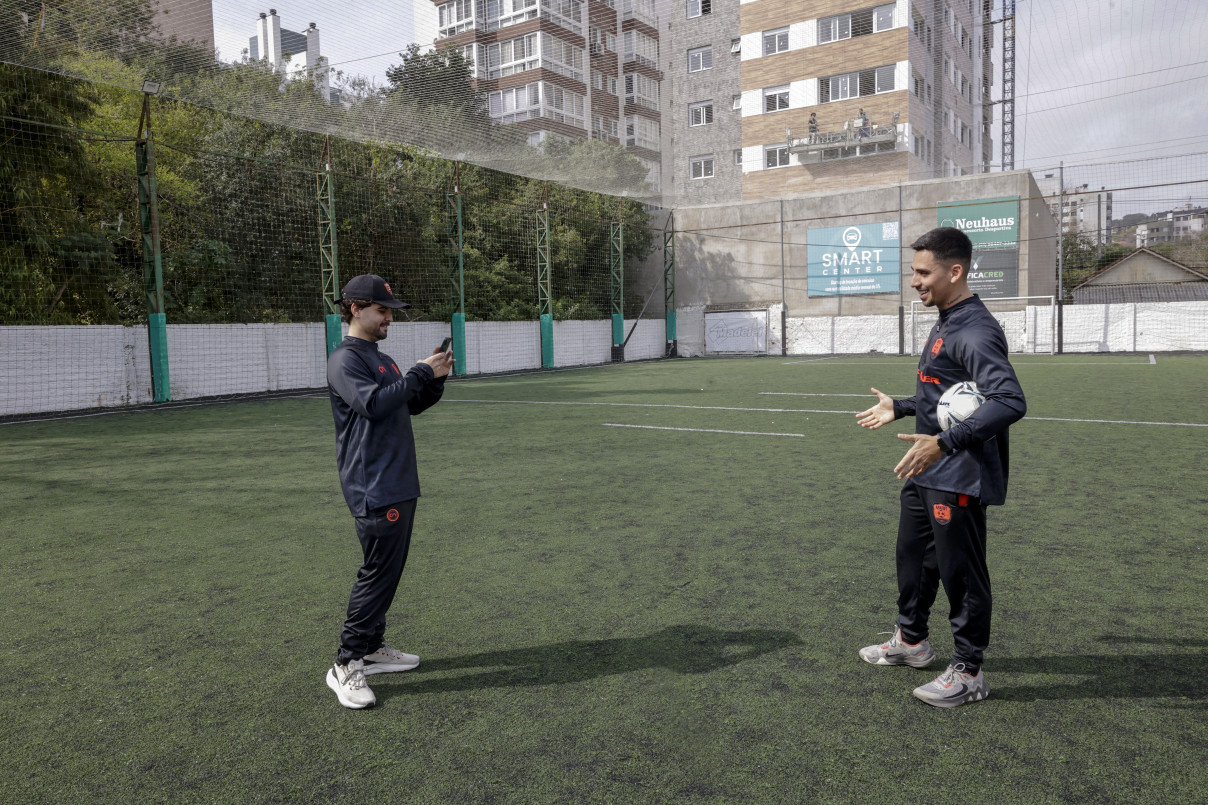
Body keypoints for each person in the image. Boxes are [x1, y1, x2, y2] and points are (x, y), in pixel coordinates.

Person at [854, 227, 1026, 708]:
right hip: (926, 469)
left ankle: (969, 671)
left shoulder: (974, 329)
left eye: (923, 272)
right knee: (912, 557)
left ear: (956, 271)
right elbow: (949, 393)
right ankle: (911, 642)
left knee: (960, 572)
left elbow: (1009, 401)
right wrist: (905, 406)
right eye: (914, 271)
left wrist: (944, 443)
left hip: (958, 473)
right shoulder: (946, 317)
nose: (915, 281)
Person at [324, 273, 455, 709]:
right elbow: (373, 404)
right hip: (373, 484)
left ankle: (371, 647)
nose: (388, 319)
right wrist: (420, 371)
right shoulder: (345, 359)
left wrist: (432, 378)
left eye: (389, 312)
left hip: (397, 480)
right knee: (377, 572)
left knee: (389, 570)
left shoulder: (382, 358)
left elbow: (408, 403)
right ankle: (346, 662)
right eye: (382, 311)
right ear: (355, 308)